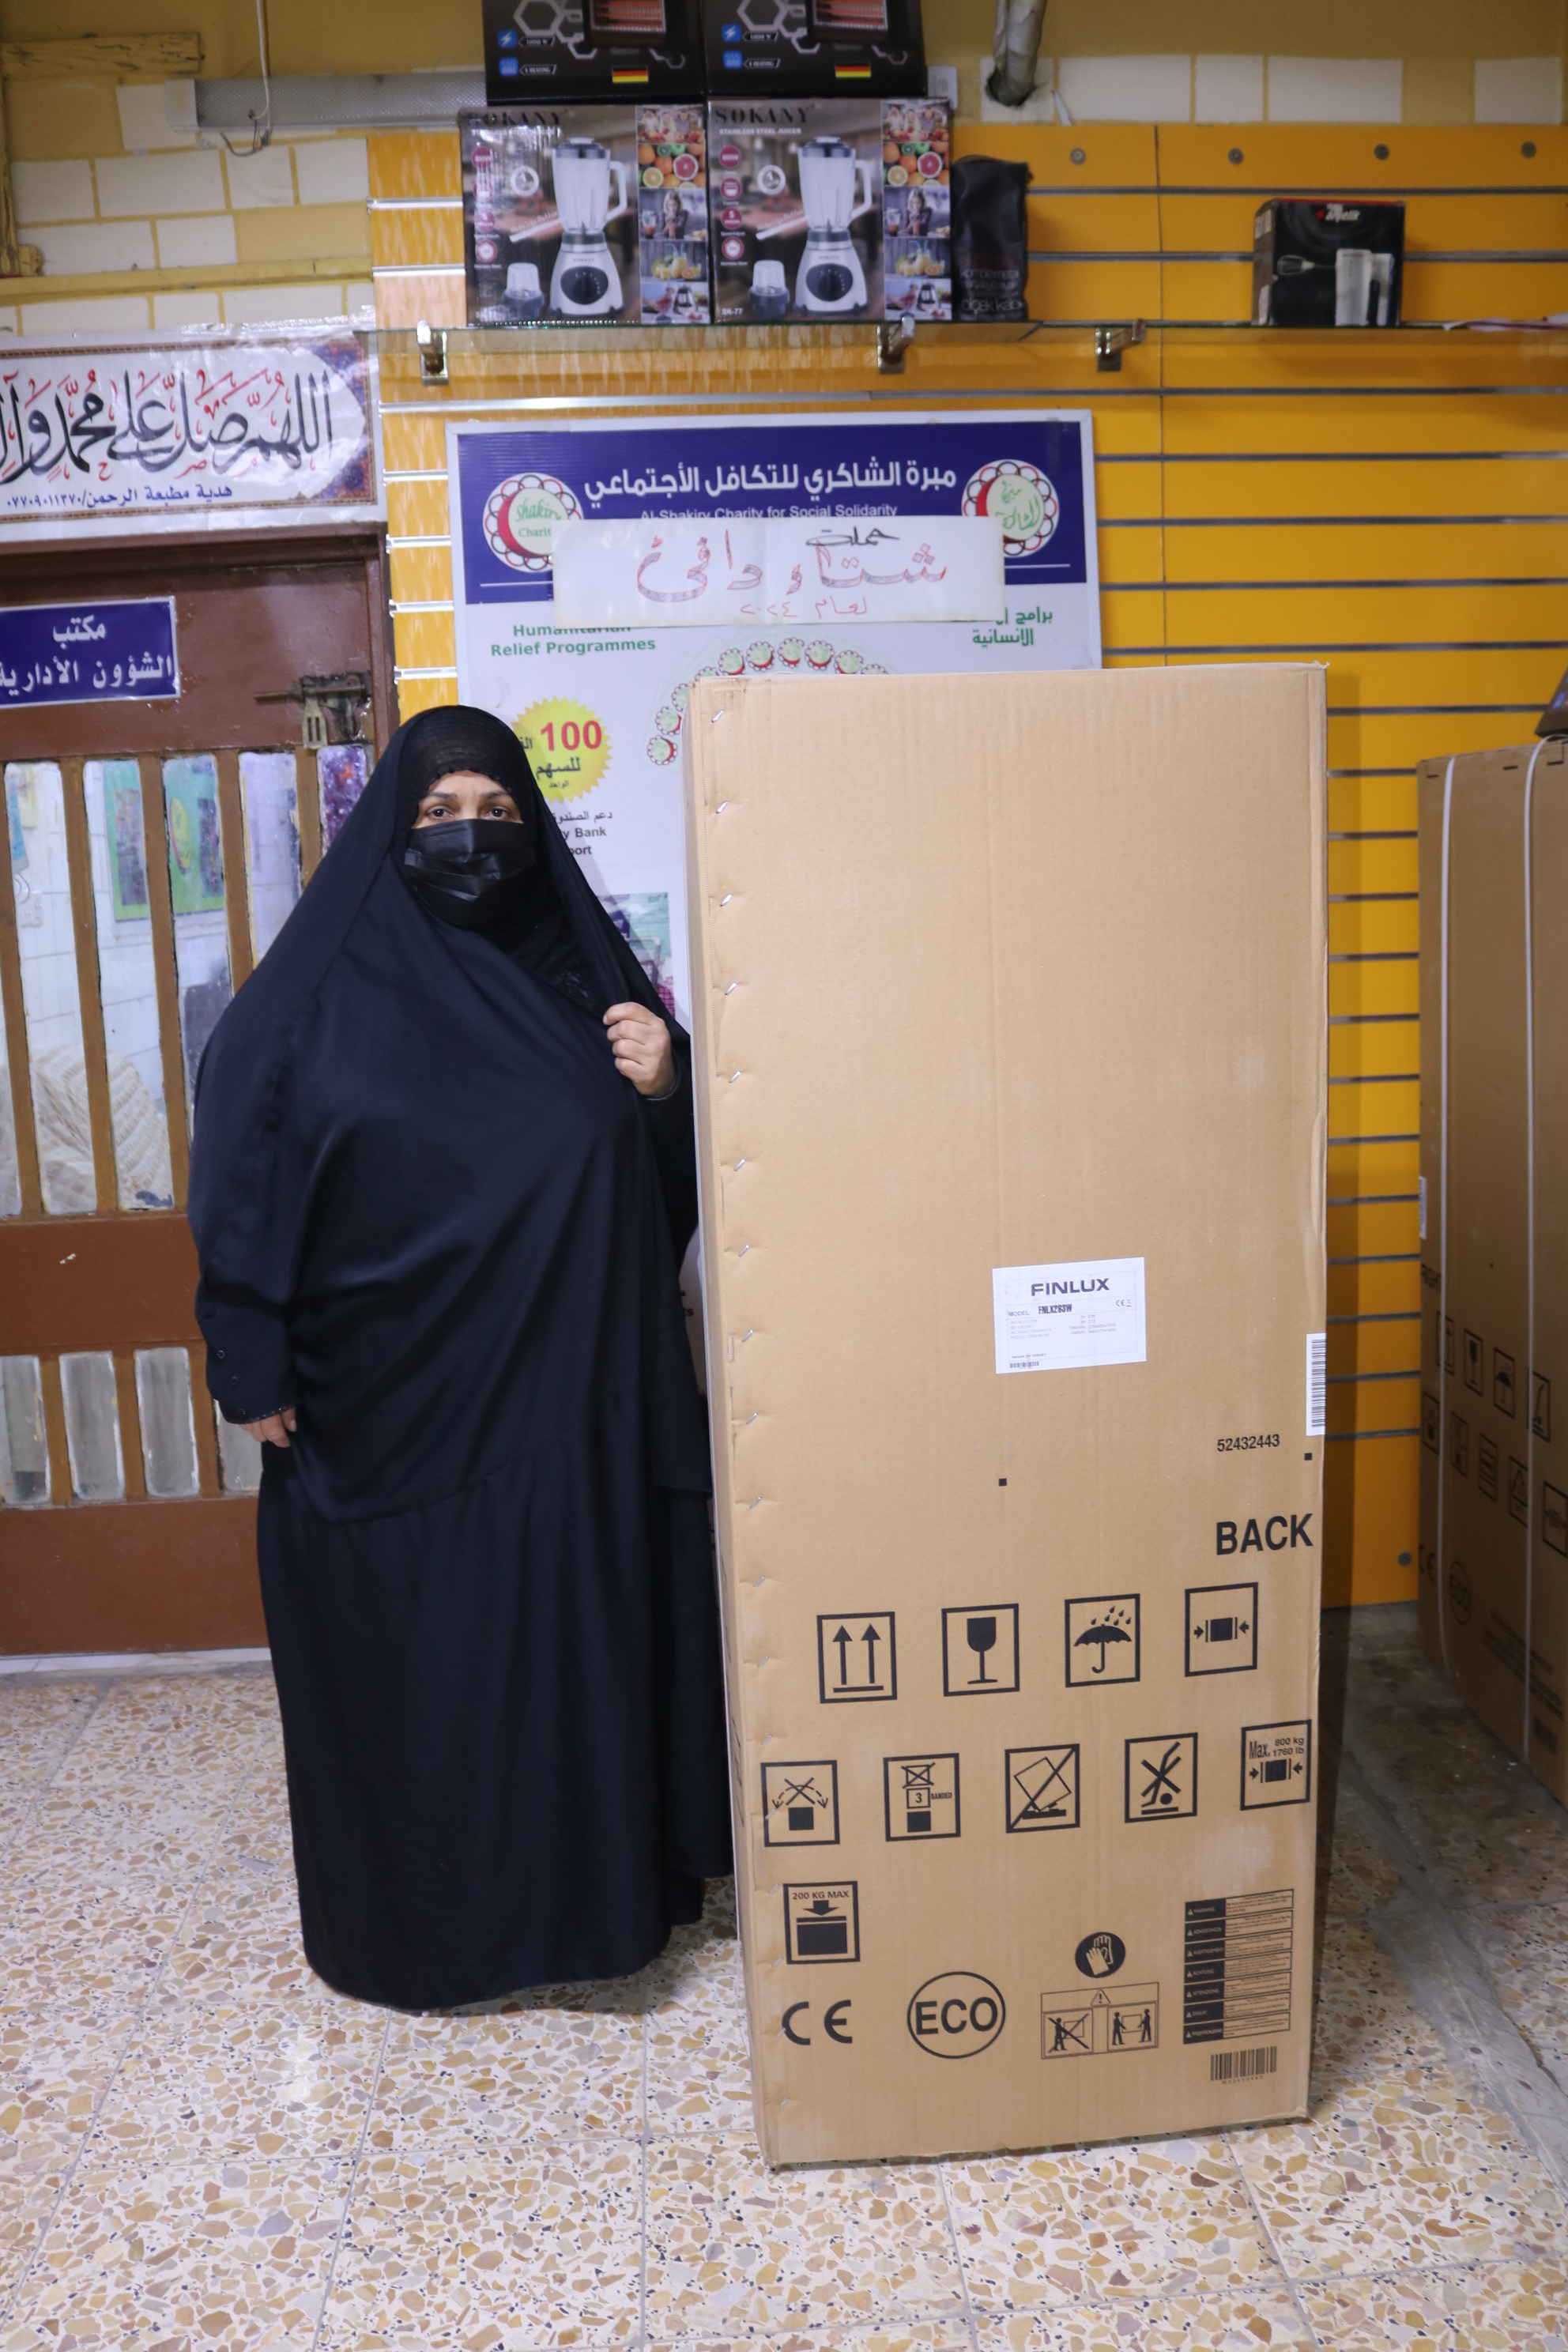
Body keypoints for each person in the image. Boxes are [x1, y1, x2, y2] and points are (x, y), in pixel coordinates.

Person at [188, 706, 732, 2011]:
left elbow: (668, 1191)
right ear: (392, 828)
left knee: (568, 1661)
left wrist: (671, 1090)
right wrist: (248, 1355)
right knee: (426, 1675)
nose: (471, 838)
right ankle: (429, 1936)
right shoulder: (309, 1001)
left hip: (573, 1406)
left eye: (496, 813)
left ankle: (591, 1910)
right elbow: (242, 1177)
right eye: (438, 815)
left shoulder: (580, 975)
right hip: (392, 1412)